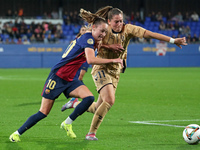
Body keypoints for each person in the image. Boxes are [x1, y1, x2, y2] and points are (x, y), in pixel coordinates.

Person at [62, 6, 187, 141]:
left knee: (98, 107)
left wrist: (173, 41)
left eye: (121, 21)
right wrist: (108, 46)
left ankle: (75, 104)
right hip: (101, 68)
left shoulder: (129, 29)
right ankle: (91, 133)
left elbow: (149, 33)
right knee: (110, 100)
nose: (119, 24)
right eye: (116, 21)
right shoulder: (103, 29)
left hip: (115, 71)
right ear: (109, 21)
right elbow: (84, 40)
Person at [9, 9, 123, 142]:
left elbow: (99, 45)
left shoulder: (91, 38)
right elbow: (91, 60)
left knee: (89, 98)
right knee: (43, 112)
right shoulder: (88, 38)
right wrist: (113, 60)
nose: (103, 34)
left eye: (105, 32)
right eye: (101, 31)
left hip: (71, 79)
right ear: (93, 28)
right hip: (57, 77)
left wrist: (111, 47)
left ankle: (67, 123)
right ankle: (17, 133)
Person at [61, 25, 90, 111]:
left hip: (84, 60)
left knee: (80, 77)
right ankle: (75, 99)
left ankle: (76, 98)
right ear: (80, 31)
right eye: (83, 29)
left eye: (85, 30)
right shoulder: (76, 39)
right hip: (76, 61)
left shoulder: (88, 39)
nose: (84, 31)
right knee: (76, 77)